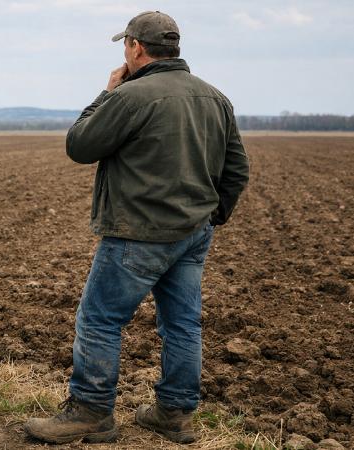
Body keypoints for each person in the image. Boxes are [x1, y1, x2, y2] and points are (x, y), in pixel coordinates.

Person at [23, 10, 249, 445]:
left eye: (125, 44)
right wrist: (211, 215)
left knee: (100, 319)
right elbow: (237, 168)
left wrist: (106, 93)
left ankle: (90, 412)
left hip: (137, 234)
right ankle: (174, 415)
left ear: (136, 48)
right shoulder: (215, 98)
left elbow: (80, 145)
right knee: (182, 324)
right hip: (192, 234)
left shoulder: (131, 96)